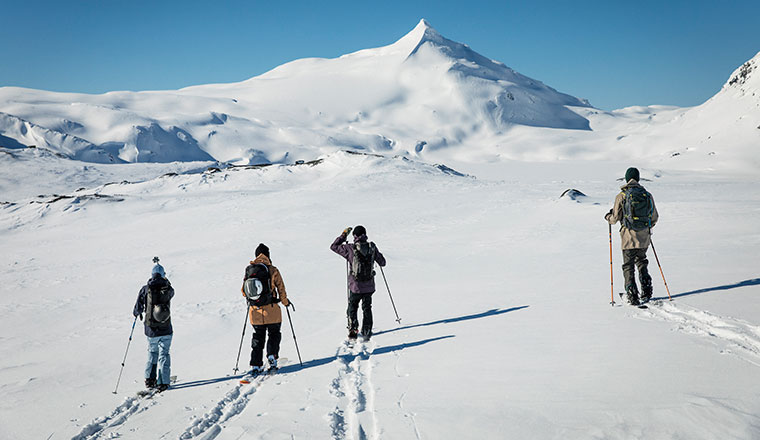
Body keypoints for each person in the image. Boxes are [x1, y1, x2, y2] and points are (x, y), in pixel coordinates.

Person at [605, 167, 659, 305]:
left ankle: (632, 294)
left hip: (628, 237)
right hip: (644, 237)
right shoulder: (647, 195)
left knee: (628, 265)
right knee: (642, 261)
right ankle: (646, 290)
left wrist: (608, 217)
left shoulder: (622, 196)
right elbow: (654, 217)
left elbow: (615, 218)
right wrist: (646, 227)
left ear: (627, 178)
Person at [241, 243, 290, 376]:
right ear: (268, 255)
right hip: (272, 310)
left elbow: (243, 291)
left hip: (255, 312)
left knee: (258, 337)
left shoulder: (249, 270)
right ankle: (272, 356)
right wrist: (285, 303)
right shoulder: (273, 269)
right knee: (274, 334)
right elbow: (281, 289)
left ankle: (256, 364)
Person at [330, 225, 386, 340]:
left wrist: (343, 235)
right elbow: (382, 262)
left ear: (354, 236)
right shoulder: (372, 247)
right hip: (369, 286)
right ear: (365, 234)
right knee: (367, 307)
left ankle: (353, 329)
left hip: (355, 286)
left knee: (353, 306)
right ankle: (366, 330)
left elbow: (334, 246)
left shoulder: (350, 248)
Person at [133, 262, 174, 392]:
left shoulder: (145, 289)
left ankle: (150, 379)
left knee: (152, 352)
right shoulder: (168, 288)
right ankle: (163, 381)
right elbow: (172, 293)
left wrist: (137, 314)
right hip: (166, 328)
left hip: (151, 329)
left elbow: (138, 307)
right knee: (164, 354)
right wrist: (166, 281)